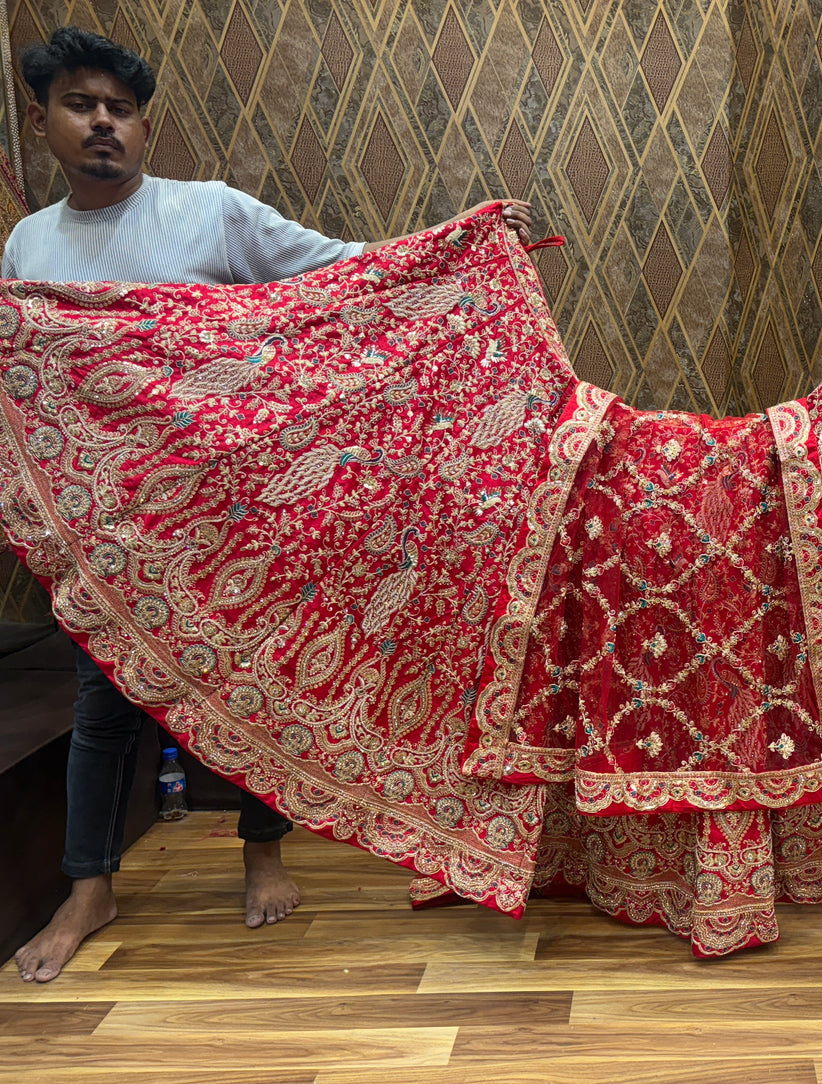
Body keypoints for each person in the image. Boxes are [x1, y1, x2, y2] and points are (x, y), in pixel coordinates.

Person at [6, 25, 532, 984]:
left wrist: (461, 253)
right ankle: (90, 888)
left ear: (144, 127)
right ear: (43, 121)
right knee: (101, 704)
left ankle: (262, 850)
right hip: (106, 530)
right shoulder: (28, 246)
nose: (103, 124)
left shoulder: (210, 213)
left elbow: (343, 271)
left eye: (120, 109)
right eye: (81, 105)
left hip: (227, 513)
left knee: (255, 680)